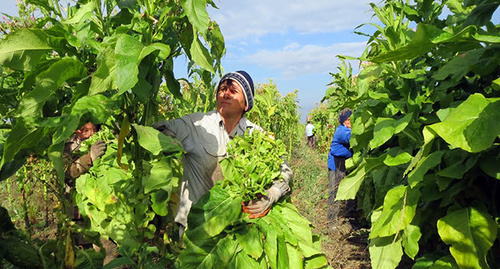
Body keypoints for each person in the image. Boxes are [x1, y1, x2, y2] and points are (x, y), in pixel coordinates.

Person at [153, 70, 292, 235]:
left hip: (236, 229)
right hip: (195, 226)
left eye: (233, 91)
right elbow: (161, 130)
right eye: (222, 89)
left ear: (246, 104)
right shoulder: (195, 124)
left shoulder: (257, 135)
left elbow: (284, 169)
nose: (225, 94)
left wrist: (273, 193)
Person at [327, 108, 353, 230]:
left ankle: (350, 217)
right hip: (335, 165)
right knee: (334, 192)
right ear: (343, 121)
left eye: (351, 119)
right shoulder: (341, 131)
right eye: (348, 120)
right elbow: (350, 138)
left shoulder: (346, 129)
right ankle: (331, 221)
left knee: (350, 191)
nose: (350, 122)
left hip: (345, 164)